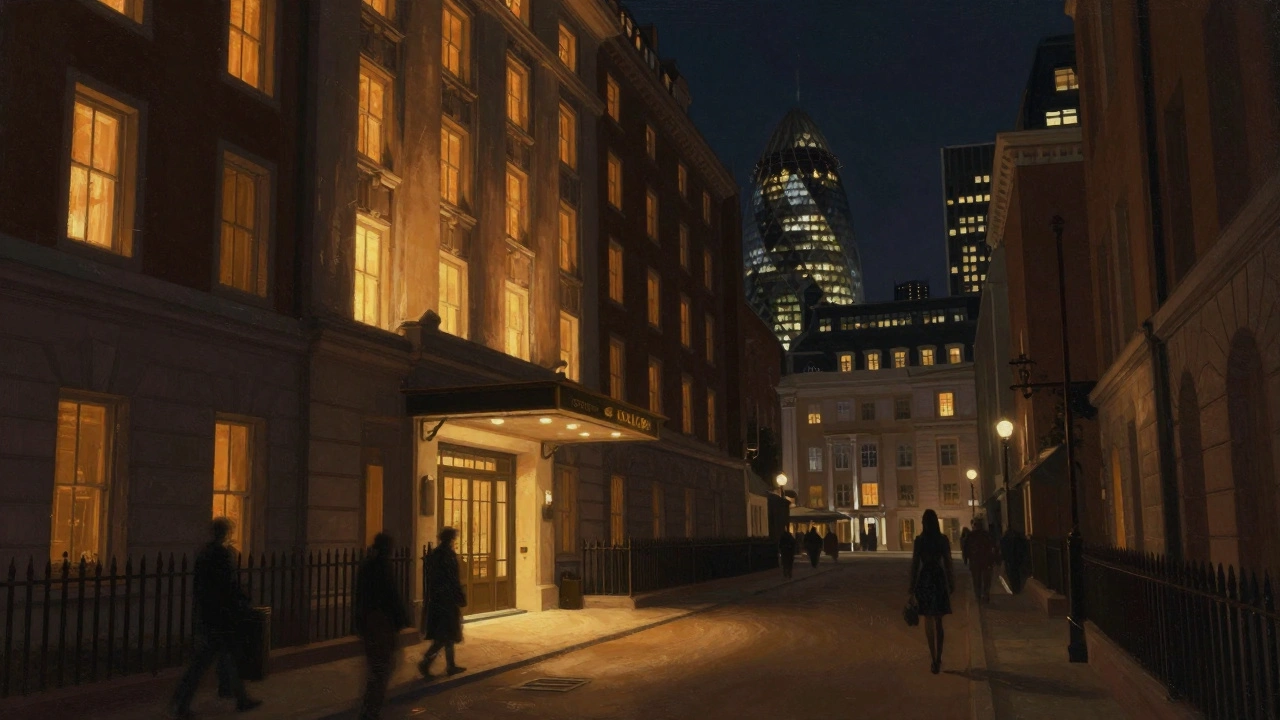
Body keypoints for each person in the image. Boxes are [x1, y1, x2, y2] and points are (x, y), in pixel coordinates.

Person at [170, 519, 261, 718]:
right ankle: (182, 701)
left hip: (209, 614)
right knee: (205, 661)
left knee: (223, 658)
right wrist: (243, 599)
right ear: (225, 532)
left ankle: (240, 698)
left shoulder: (205, 553)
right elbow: (227, 585)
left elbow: (203, 586)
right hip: (220, 616)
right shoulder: (220, 554)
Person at [354, 533, 411, 720]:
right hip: (381, 622)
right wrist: (401, 618)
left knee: (376, 666)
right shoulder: (382, 567)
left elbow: (359, 596)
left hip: (369, 620)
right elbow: (391, 595)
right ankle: (371, 709)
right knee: (382, 667)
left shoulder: (367, 565)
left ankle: (369, 705)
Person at [909, 509, 955, 675]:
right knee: (938, 620)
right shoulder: (942, 540)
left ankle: (933, 656)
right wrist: (951, 581)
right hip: (938, 578)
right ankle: (939, 657)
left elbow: (915, 564)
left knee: (928, 619)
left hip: (925, 578)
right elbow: (948, 562)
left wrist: (911, 587)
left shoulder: (920, 541)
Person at [418, 527, 466, 680]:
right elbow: (452, 579)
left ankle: (451, 665)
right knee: (445, 635)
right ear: (450, 539)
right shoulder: (447, 555)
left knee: (448, 634)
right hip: (446, 600)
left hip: (439, 599)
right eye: (454, 538)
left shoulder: (436, 554)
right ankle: (426, 661)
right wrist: (459, 595)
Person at [966, 519, 998, 604]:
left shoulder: (971, 536)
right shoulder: (987, 535)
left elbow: (966, 549)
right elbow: (993, 547)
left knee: (977, 579)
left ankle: (978, 595)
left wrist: (966, 559)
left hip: (975, 561)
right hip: (986, 560)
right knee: (986, 579)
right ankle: (985, 594)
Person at [1001, 527, 1029, 594]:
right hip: (1016, 559)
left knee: (1011, 574)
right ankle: (1017, 588)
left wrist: (1003, 558)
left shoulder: (1005, 539)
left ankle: (1015, 588)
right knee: (1016, 574)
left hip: (1010, 559)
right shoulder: (1019, 540)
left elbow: (1003, 550)